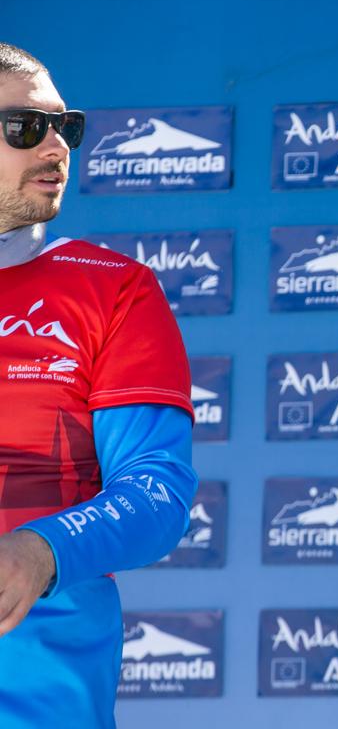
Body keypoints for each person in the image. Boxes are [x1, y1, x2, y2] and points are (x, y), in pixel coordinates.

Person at [0, 43, 197, 728]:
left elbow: (156, 491)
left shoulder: (113, 289)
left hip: (43, 696)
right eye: (25, 128)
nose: (56, 146)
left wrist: (41, 549)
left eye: (66, 127)